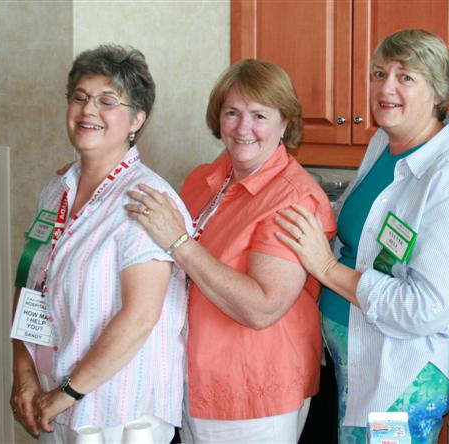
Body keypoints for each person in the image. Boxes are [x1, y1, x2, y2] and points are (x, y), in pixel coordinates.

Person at [274, 29, 449, 443]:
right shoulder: (382, 145)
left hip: (400, 383)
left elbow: (426, 308)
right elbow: (365, 238)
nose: (386, 87)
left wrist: (325, 268)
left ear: (438, 93)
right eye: (379, 73)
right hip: (354, 364)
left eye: (406, 77)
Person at [125, 59, 336, 443]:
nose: (243, 128)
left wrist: (180, 243)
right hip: (192, 380)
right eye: (232, 113)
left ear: (285, 123)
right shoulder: (204, 179)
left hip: (251, 394)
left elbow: (262, 307)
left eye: (259, 115)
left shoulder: (293, 199)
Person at [9, 45, 190, 443]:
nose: (89, 111)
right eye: (80, 98)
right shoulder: (56, 190)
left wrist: (67, 392)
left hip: (119, 411)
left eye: (107, 101)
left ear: (137, 119)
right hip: (53, 397)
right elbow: (31, 285)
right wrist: (22, 372)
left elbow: (141, 317)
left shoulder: (146, 200)